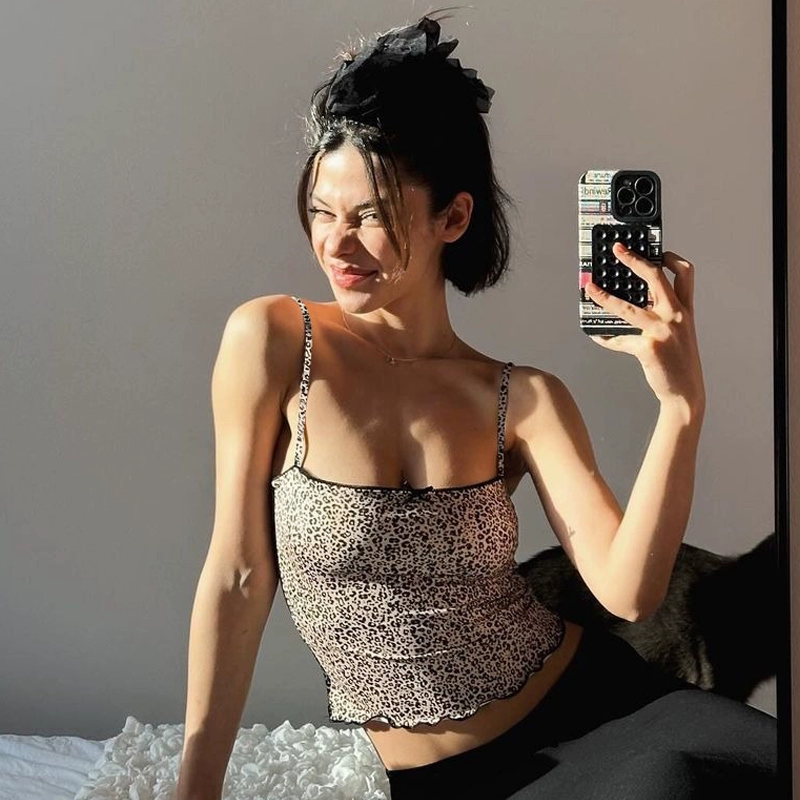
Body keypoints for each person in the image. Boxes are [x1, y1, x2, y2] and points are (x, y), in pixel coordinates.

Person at [175, 13, 778, 800]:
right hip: (459, 777)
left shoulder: (521, 398)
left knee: (729, 770)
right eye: (323, 211)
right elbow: (239, 576)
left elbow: (629, 592)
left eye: (371, 216)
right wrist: (196, 789)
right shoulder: (275, 340)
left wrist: (681, 406)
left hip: (608, 705)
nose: (337, 244)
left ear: (453, 218)